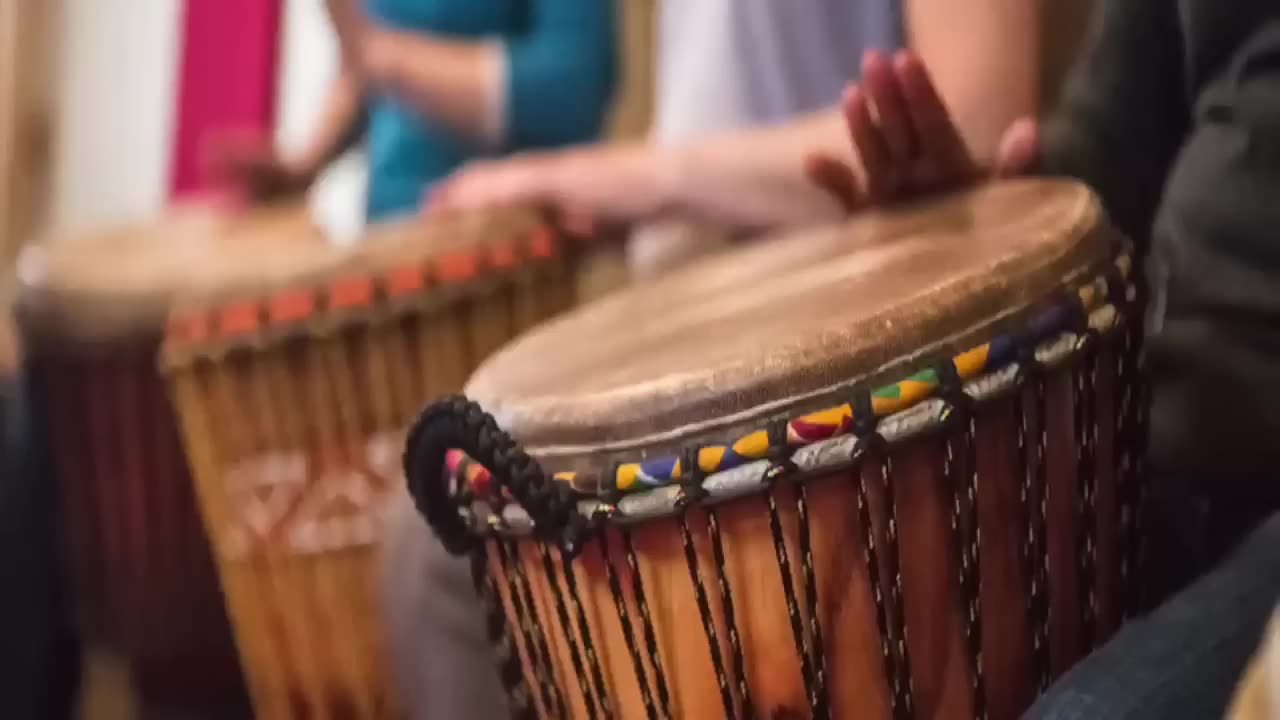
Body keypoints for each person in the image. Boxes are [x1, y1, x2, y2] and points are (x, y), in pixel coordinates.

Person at [428, 0, 1040, 276]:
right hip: (694, 328)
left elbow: (978, 120)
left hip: (851, 372)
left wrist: (647, 180)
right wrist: (648, 203)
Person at [206, 0, 616, 222]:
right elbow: (370, 66)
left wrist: (374, 52)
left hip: (508, 253)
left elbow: (572, 91)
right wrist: (307, 164)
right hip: (390, 240)